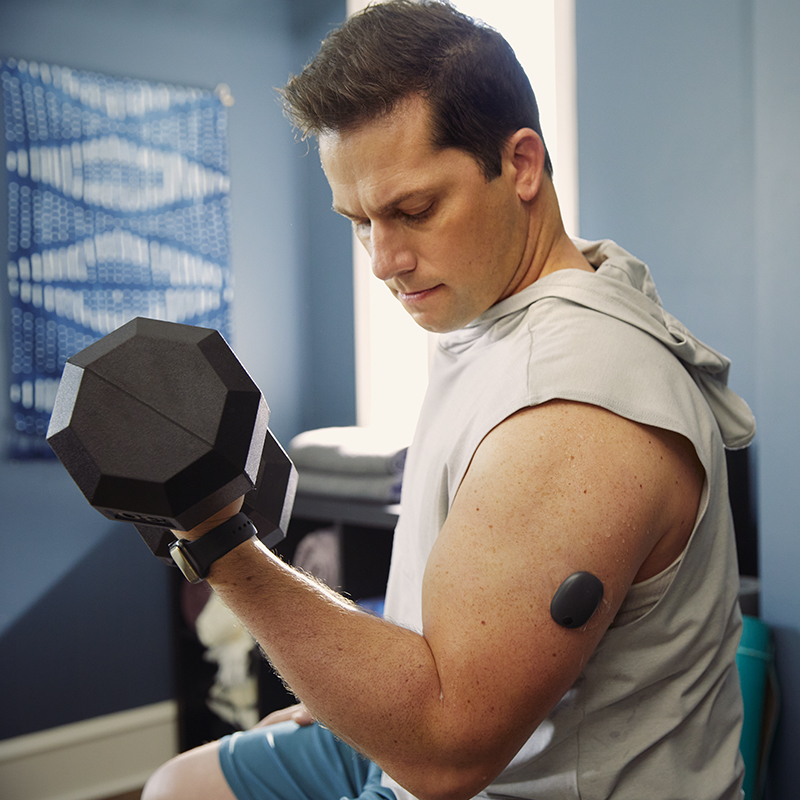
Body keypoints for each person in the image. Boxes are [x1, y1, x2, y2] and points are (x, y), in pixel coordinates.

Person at [143, 2, 755, 799]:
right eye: (359, 222)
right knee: (182, 786)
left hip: (488, 776)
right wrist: (341, 704)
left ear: (523, 164)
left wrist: (217, 542)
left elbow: (446, 753)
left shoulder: (571, 412)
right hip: (434, 743)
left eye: (414, 210)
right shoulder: (511, 306)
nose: (384, 260)